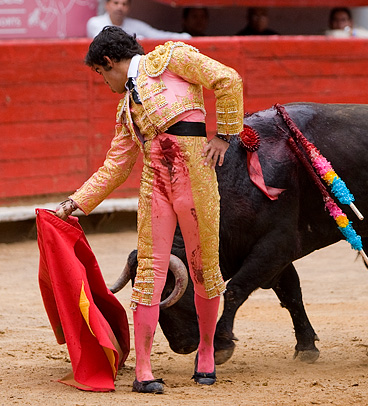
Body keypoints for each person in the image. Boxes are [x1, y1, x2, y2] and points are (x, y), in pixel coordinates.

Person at [55, 26, 243, 392]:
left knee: (204, 265)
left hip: (195, 181)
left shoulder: (172, 58)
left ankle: (205, 352)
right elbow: (116, 164)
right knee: (149, 274)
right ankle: (144, 368)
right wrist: (75, 202)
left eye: (100, 73)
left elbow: (227, 79)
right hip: (154, 186)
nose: (104, 81)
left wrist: (223, 134)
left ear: (108, 62)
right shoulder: (127, 109)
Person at [87, 0, 191, 39]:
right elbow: (106, 40)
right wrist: (136, 39)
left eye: (124, 4)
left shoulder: (135, 25)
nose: (120, 7)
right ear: (107, 5)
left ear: (129, 7)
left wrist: (183, 37)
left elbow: (157, 35)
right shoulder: (95, 23)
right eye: (116, 3)